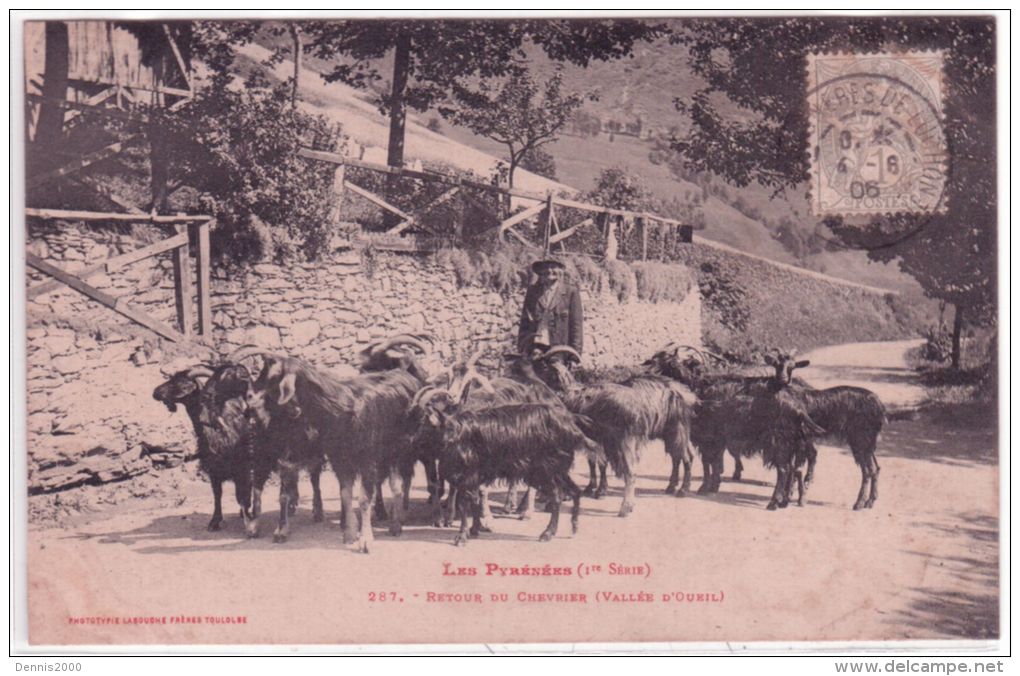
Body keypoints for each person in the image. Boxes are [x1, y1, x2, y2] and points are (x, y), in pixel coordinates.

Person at [517, 259, 584, 359]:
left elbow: (576, 325)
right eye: (546, 267)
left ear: (561, 270)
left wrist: (575, 355)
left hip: (559, 348)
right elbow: (525, 321)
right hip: (534, 347)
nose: (549, 270)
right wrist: (522, 346)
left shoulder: (570, 292)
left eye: (553, 267)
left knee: (557, 373)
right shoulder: (532, 291)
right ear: (540, 272)